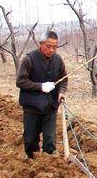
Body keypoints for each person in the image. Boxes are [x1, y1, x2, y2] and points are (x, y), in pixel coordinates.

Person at [16, 30, 68, 159]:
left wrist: (61, 92)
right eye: (48, 46)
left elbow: (64, 79)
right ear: (41, 44)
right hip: (32, 107)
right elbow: (20, 81)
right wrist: (40, 86)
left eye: (55, 47)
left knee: (50, 141)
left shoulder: (58, 60)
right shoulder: (29, 59)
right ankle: (32, 162)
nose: (51, 50)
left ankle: (48, 164)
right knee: (30, 141)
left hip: (50, 106)